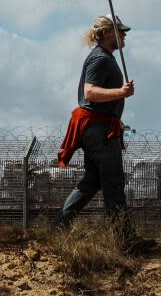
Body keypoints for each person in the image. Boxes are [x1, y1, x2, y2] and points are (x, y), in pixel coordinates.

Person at [54, 15, 135, 233]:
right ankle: (124, 239)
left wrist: (115, 114)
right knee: (113, 183)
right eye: (120, 30)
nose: (125, 34)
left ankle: (59, 227)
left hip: (98, 128)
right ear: (107, 33)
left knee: (93, 181)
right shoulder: (101, 59)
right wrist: (120, 92)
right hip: (100, 134)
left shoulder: (105, 57)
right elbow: (89, 92)